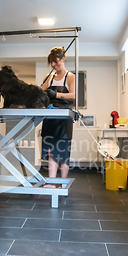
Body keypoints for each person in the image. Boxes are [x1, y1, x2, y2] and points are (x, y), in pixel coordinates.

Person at [41, 47, 76, 182]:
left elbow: (73, 95)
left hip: (63, 119)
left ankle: (62, 183)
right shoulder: (48, 78)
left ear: (63, 59)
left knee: (63, 151)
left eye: (56, 62)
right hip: (50, 118)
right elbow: (40, 94)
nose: (54, 65)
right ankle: (51, 182)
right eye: (51, 63)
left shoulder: (70, 77)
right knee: (51, 151)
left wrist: (56, 94)